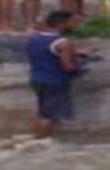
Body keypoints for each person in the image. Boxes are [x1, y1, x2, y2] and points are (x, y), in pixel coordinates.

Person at [27, 10, 82, 139]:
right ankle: (40, 140)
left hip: (36, 79)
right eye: (73, 22)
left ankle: (39, 137)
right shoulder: (63, 43)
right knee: (49, 116)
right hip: (55, 81)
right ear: (63, 23)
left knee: (43, 112)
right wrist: (79, 69)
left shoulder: (34, 39)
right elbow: (68, 66)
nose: (75, 25)